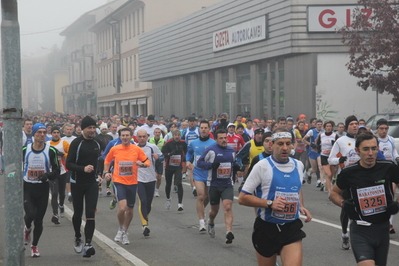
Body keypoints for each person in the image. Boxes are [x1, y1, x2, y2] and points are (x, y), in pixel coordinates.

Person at [238, 128, 312, 266]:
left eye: (288, 143)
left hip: (291, 227)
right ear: (272, 145)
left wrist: (301, 205)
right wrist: (270, 203)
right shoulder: (262, 166)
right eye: (280, 144)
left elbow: (297, 189)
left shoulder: (298, 165)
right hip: (267, 228)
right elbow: (242, 198)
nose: (285, 147)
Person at [330, 133, 399, 266]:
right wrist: (343, 203)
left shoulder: (388, 167)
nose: (371, 153)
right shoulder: (349, 172)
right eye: (366, 149)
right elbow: (333, 193)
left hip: (382, 229)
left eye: (374, 148)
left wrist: (397, 204)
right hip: (360, 230)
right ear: (357, 151)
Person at [103, 128, 150, 245]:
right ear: (120, 137)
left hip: (132, 182)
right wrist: (106, 172)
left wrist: (142, 164)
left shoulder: (136, 149)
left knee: (130, 209)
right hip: (119, 181)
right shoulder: (115, 149)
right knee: (122, 208)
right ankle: (120, 228)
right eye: (123, 135)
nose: (125, 137)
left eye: (127, 135)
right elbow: (107, 160)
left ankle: (125, 231)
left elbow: (147, 162)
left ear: (131, 136)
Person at [66, 116, 104, 258]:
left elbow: (100, 160)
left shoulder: (98, 143)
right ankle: (77, 237)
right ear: (83, 129)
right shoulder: (77, 143)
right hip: (77, 182)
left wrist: (100, 174)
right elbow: (68, 164)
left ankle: (88, 244)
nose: (92, 130)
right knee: (78, 213)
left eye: (94, 128)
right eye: (89, 128)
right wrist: (82, 169)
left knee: (90, 213)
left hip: (92, 183)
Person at [23, 123, 60, 257]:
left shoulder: (51, 150)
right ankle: (27, 228)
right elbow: (15, 166)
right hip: (28, 187)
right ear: (33, 134)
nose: (42, 135)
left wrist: (47, 175)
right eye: (39, 132)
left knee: (39, 220)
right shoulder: (24, 149)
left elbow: (57, 170)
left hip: (42, 188)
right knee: (31, 214)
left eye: (44, 132)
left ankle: (34, 246)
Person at [197, 129, 239, 244]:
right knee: (214, 211)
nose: (224, 140)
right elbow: (199, 163)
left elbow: (234, 162)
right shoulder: (211, 150)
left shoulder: (231, 151)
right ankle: (211, 221)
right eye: (221, 138)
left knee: (228, 207)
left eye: (225, 138)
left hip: (227, 184)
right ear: (216, 139)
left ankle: (228, 232)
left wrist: (236, 167)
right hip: (214, 185)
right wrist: (211, 165)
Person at [328, 115, 360, 250]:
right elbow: (331, 159)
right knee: (347, 207)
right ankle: (344, 234)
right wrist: (340, 160)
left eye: (356, 124)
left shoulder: (362, 140)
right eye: (352, 124)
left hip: (361, 178)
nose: (354, 126)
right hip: (346, 178)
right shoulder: (341, 141)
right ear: (347, 127)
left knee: (361, 206)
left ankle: (359, 235)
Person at [186, 120, 216, 232]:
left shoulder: (213, 143)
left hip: (209, 172)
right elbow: (189, 152)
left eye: (205, 128)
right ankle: (201, 222)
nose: (203, 129)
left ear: (209, 129)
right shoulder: (194, 143)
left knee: (207, 197)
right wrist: (188, 161)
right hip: (198, 172)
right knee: (201, 196)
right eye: (201, 128)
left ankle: (201, 211)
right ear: (199, 129)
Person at [136, 129, 162, 236]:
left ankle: (145, 219)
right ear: (136, 137)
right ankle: (145, 225)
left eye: (144, 136)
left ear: (147, 137)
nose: (142, 139)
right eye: (140, 136)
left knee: (149, 202)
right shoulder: (134, 148)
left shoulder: (152, 147)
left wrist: (158, 158)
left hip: (151, 179)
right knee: (143, 201)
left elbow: (162, 157)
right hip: (139, 179)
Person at [374, 118, 399, 234]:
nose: (384, 131)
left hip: (391, 169)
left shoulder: (391, 139)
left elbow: (394, 153)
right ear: (377, 128)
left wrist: (397, 158)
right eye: (382, 128)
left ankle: (389, 222)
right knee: (382, 196)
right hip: (379, 170)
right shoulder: (374, 140)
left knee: (391, 195)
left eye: (386, 129)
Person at [46, 126, 70, 224]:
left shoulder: (64, 143)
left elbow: (71, 154)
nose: (56, 134)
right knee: (54, 193)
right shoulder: (47, 144)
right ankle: (55, 214)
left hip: (63, 170)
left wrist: (63, 155)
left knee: (61, 193)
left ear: (60, 134)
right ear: (51, 134)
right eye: (54, 132)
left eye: (57, 132)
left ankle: (61, 205)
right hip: (52, 172)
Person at [162, 129, 187, 211]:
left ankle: (180, 203)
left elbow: (186, 152)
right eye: (175, 135)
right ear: (172, 136)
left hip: (178, 166)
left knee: (179, 183)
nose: (177, 137)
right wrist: (169, 154)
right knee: (168, 184)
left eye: (178, 135)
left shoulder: (183, 142)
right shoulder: (168, 143)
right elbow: (163, 152)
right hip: (169, 166)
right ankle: (168, 199)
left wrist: (184, 159)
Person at [316, 121, 338, 194]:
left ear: (332, 127)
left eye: (330, 126)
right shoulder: (321, 135)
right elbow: (317, 144)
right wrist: (319, 149)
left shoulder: (335, 136)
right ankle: (329, 192)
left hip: (332, 157)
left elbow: (338, 146)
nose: (328, 128)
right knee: (328, 174)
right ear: (325, 127)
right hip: (324, 156)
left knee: (331, 175)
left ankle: (329, 187)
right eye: (327, 126)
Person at [148, 128, 165, 197]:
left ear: (160, 133)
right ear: (154, 133)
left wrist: (161, 158)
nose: (157, 134)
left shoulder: (163, 141)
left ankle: (156, 190)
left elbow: (164, 152)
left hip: (159, 161)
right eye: (156, 132)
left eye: (159, 132)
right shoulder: (150, 140)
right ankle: (151, 189)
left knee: (159, 177)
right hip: (152, 161)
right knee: (154, 176)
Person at [61, 124, 76, 203]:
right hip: (65, 161)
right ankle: (69, 193)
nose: (69, 131)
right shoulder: (62, 140)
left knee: (74, 177)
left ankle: (75, 192)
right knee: (67, 178)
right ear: (64, 130)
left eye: (70, 129)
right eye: (67, 129)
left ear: (73, 130)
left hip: (75, 161)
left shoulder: (76, 139)